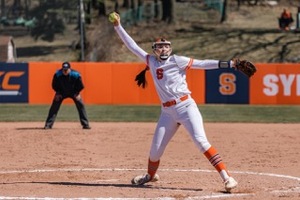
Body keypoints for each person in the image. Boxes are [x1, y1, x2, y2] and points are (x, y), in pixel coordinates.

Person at [109, 12, 238, 192]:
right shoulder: (151, 61)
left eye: (166, 46)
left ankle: (227, 178)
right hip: (167, 112)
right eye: (160, 47)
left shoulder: (178, 60)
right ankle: (150, 176)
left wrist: (230, 64)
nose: (163, 49)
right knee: (154, 151)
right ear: (155, 50)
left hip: (186, 106)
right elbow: (132, 46)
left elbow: (203, 64)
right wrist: (118, 26)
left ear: (170, 49)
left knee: (201, 142)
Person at [44, 62, 91, 130]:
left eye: (67, 69)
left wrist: (77, 93)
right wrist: (58, 93)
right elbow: (54, 85)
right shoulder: (57, 74)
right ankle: (48, 125)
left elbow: (81, 86)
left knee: (81, 104)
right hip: (61, 92)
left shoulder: (76, 75)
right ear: (62, 69)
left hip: (73, 92)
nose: (65, 71)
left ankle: (85, 124)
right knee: (54, 106)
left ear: (70, 69)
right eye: (64, 69)